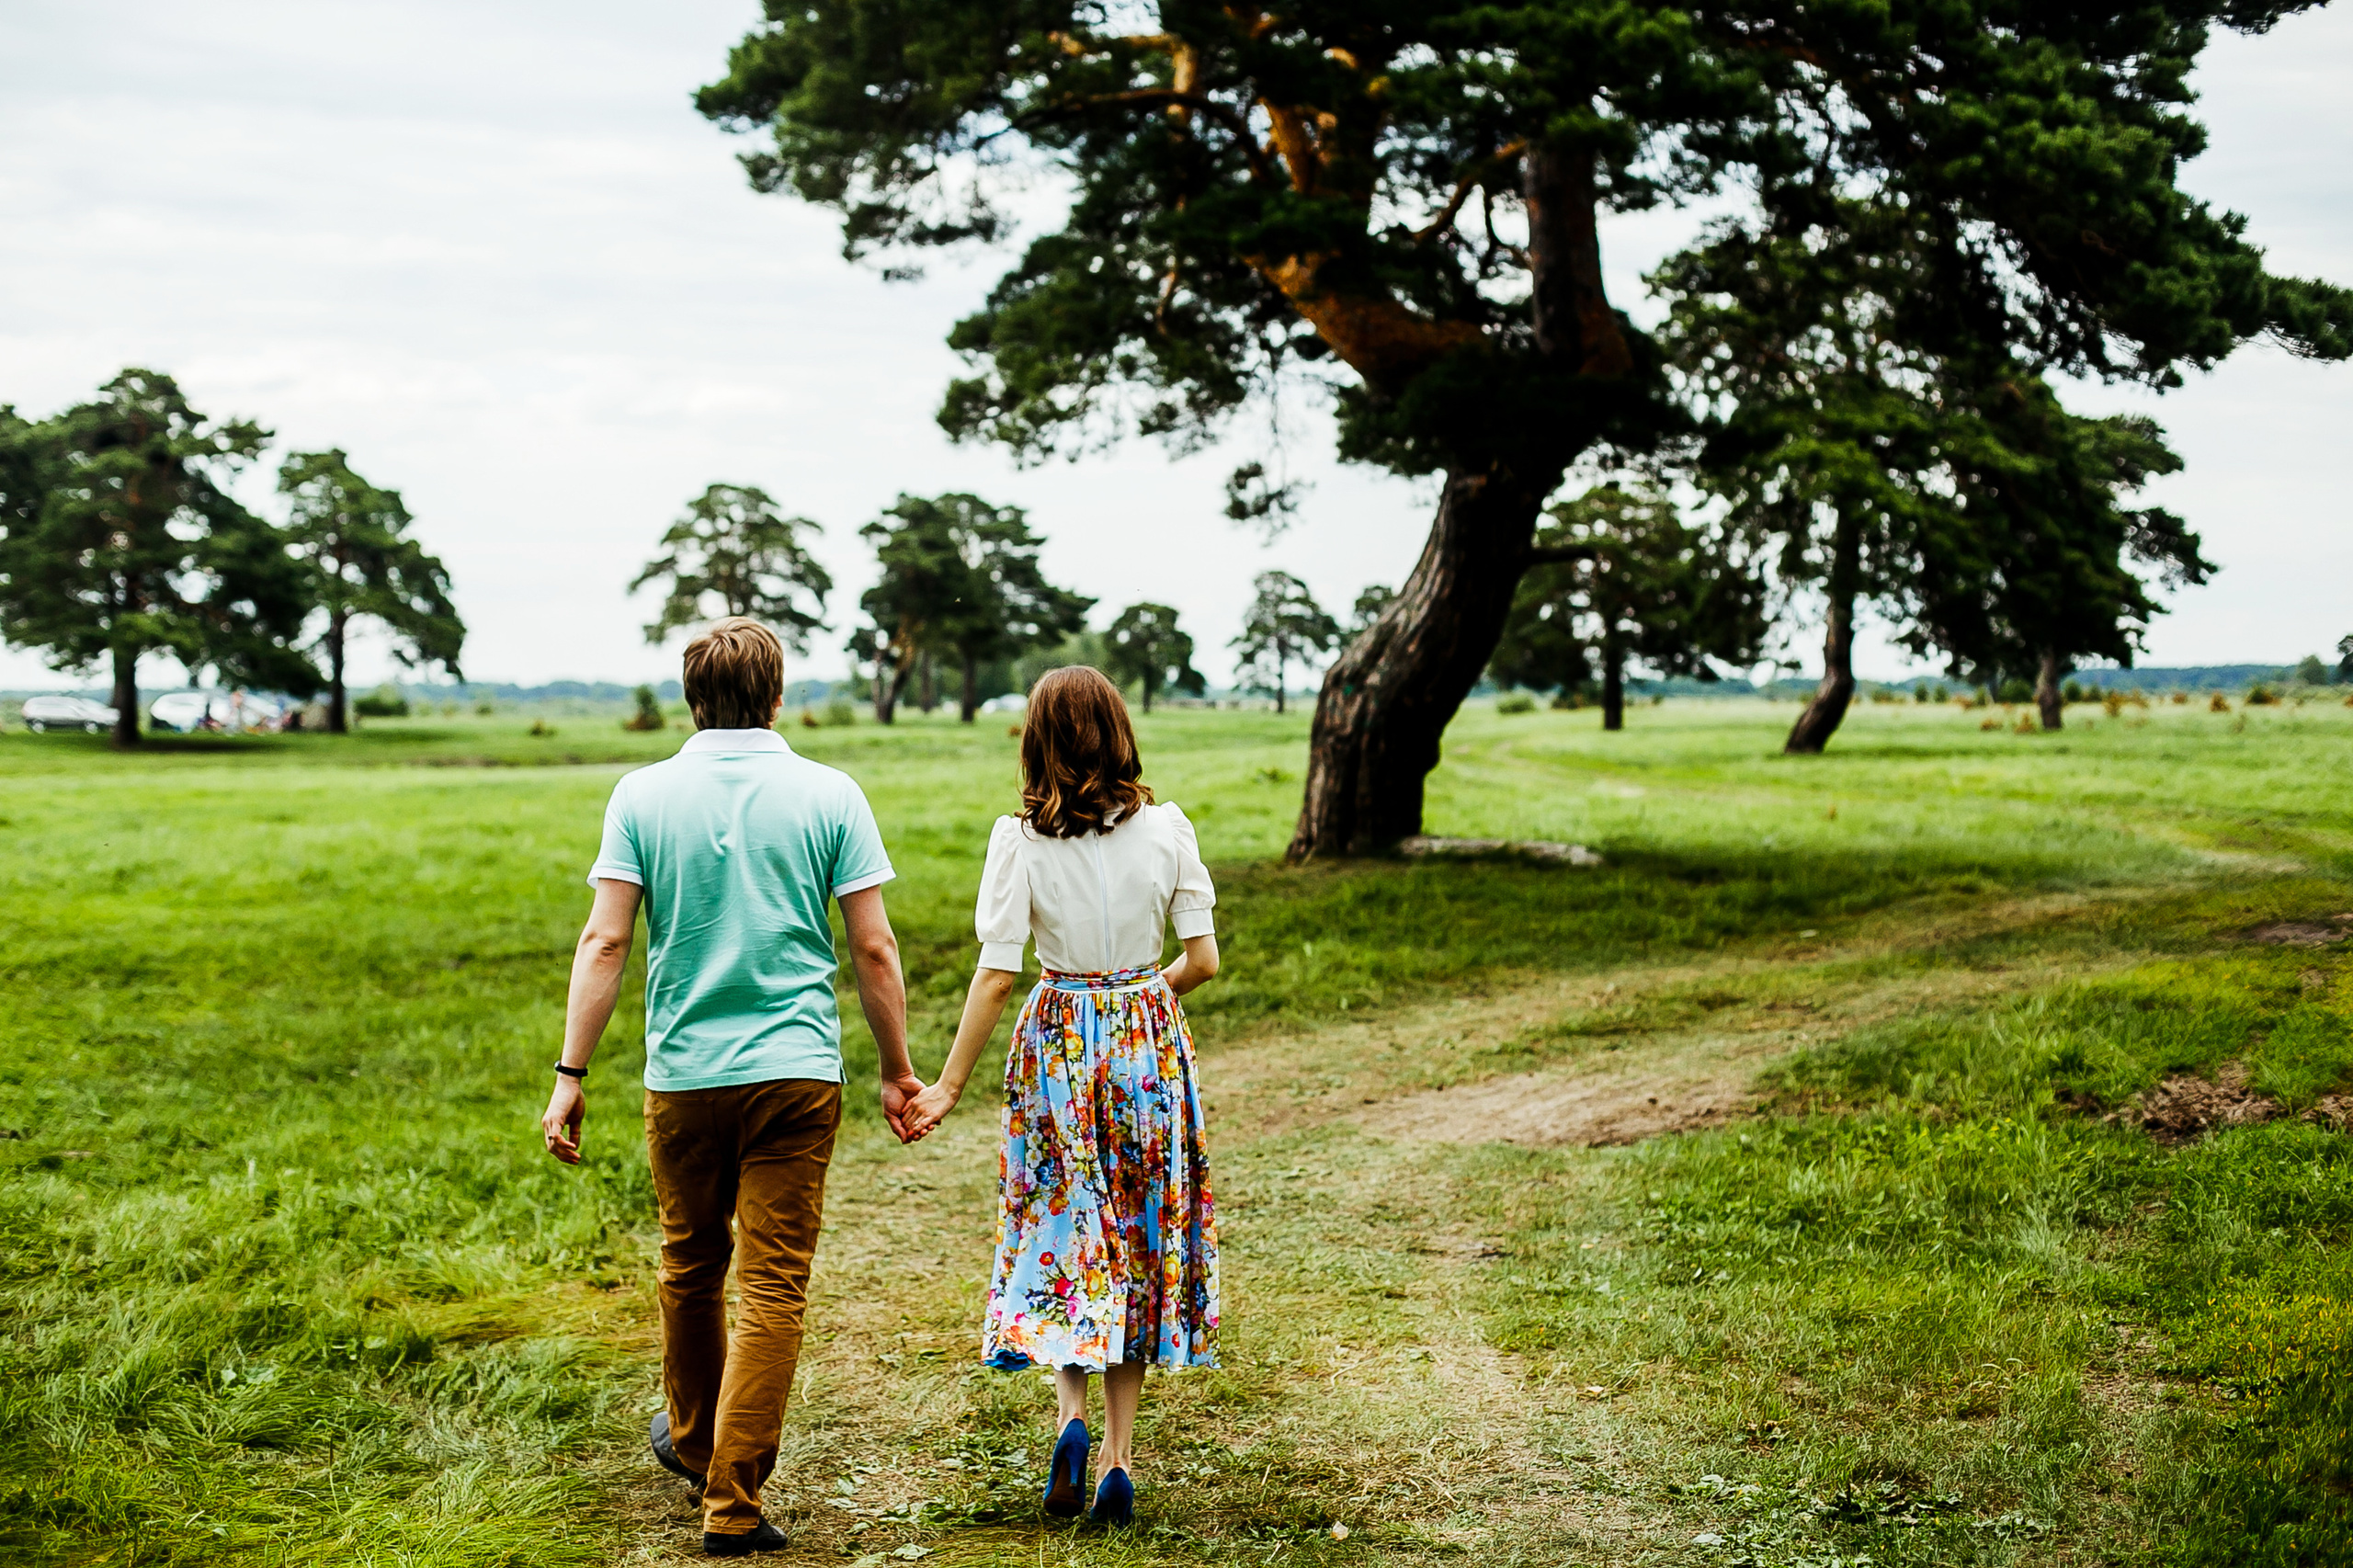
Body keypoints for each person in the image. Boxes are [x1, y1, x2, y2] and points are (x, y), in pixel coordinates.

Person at [538, 617, 922, 1559]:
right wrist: (898, 1069)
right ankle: (731, 1496)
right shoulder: (830, 793)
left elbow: (605, 940)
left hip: (685, 1075)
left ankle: (700, 1438)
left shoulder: (642, 793)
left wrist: (569, 1073)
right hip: (795, 1071)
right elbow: (872, 945)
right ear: (779, 695)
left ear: (690, 697)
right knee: (774, 1285)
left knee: (691, 1263)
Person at [904, 665, 1222, 1528]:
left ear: (1038, 741)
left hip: (1057, 1043)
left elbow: (997, 973)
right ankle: (1118, 1460)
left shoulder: (1019, 840)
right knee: (1136, 1232)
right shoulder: (1168, 829)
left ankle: (1070, 1420)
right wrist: (1141, 1001)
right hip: (1147, 1043)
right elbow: (1203, 961)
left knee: (1063, 1231)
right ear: (1120, 730)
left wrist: (946, 1084)